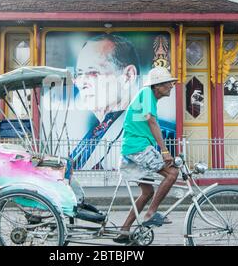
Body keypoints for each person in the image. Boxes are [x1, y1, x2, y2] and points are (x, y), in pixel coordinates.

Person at [114, 66, 179, 244]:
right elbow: (151, 121)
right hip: (138, 148)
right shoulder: (147, 94)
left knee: (147, 192)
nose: (171, 86)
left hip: (133, 150)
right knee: (172, 173)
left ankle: (124, 230)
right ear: (157, 86)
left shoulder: (147, 96)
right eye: (168, 83)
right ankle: (151, 213)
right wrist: (165, 151)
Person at [70, 34, 140, 171]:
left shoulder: (150, 129)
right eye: (78, 74)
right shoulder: (97, 126)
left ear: (128, 76)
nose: (81, 83)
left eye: (93, 72)